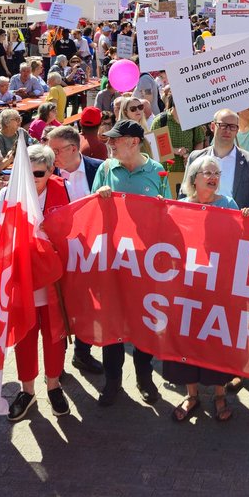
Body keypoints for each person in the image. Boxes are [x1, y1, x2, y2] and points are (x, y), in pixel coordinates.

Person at [0, 144, 71, 422]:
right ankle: (27, 390)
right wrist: (14, 230)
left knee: (55, 334)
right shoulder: (10, 194)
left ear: (50, 171)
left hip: (55, 279)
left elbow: (83, 224)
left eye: (38, 172)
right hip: (23, 278)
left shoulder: (64, 189)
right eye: (26, 171)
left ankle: (54, 386)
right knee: (24, 335)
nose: (32, 177)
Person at [92, 119, 165, 406]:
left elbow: (170, 213)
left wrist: (162, 205)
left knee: (144, 323)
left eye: (115, 140)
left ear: (133, 143)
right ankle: (112, 382)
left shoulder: (157, 171)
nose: (109, 144)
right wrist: (99, 197)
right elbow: (92, 209)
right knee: (113, 324)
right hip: (114, 261)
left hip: (145, 262)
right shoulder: (106, 168)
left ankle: (144, 378)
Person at [166, 154, 238, 423]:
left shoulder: (229, 204)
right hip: (187, 285)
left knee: (215, 339)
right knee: (187, 337)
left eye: (217, 173)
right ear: (193, 179)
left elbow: (238, 241)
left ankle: (220, 395)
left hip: (217, 286)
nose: (213, 177)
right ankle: (192, 395)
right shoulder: (180, 207)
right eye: (208, 172)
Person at [43, 124, 105, 374]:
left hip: (92, 251)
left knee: (88, 306)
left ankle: (82, 352)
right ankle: (57, 359)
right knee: (59, 306)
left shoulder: (99, 169)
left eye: (55, 150)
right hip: (59, 252)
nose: (51, 155)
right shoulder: (45, 173)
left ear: (72, 148)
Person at [186, 108, 249, 208]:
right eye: (223, 126)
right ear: (213, 126)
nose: (228, 130)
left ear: (237, 130)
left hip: (236, 221)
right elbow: (186, 193)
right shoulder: (196, 157)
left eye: (232, 127)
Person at [150, 97, 207, 174]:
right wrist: (175, 150)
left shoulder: (193, 120)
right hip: (164, 173)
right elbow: (153, 147)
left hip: (187, 172)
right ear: (174, 105)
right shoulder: (160, 121)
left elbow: (199, 141)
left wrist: (192, 158)